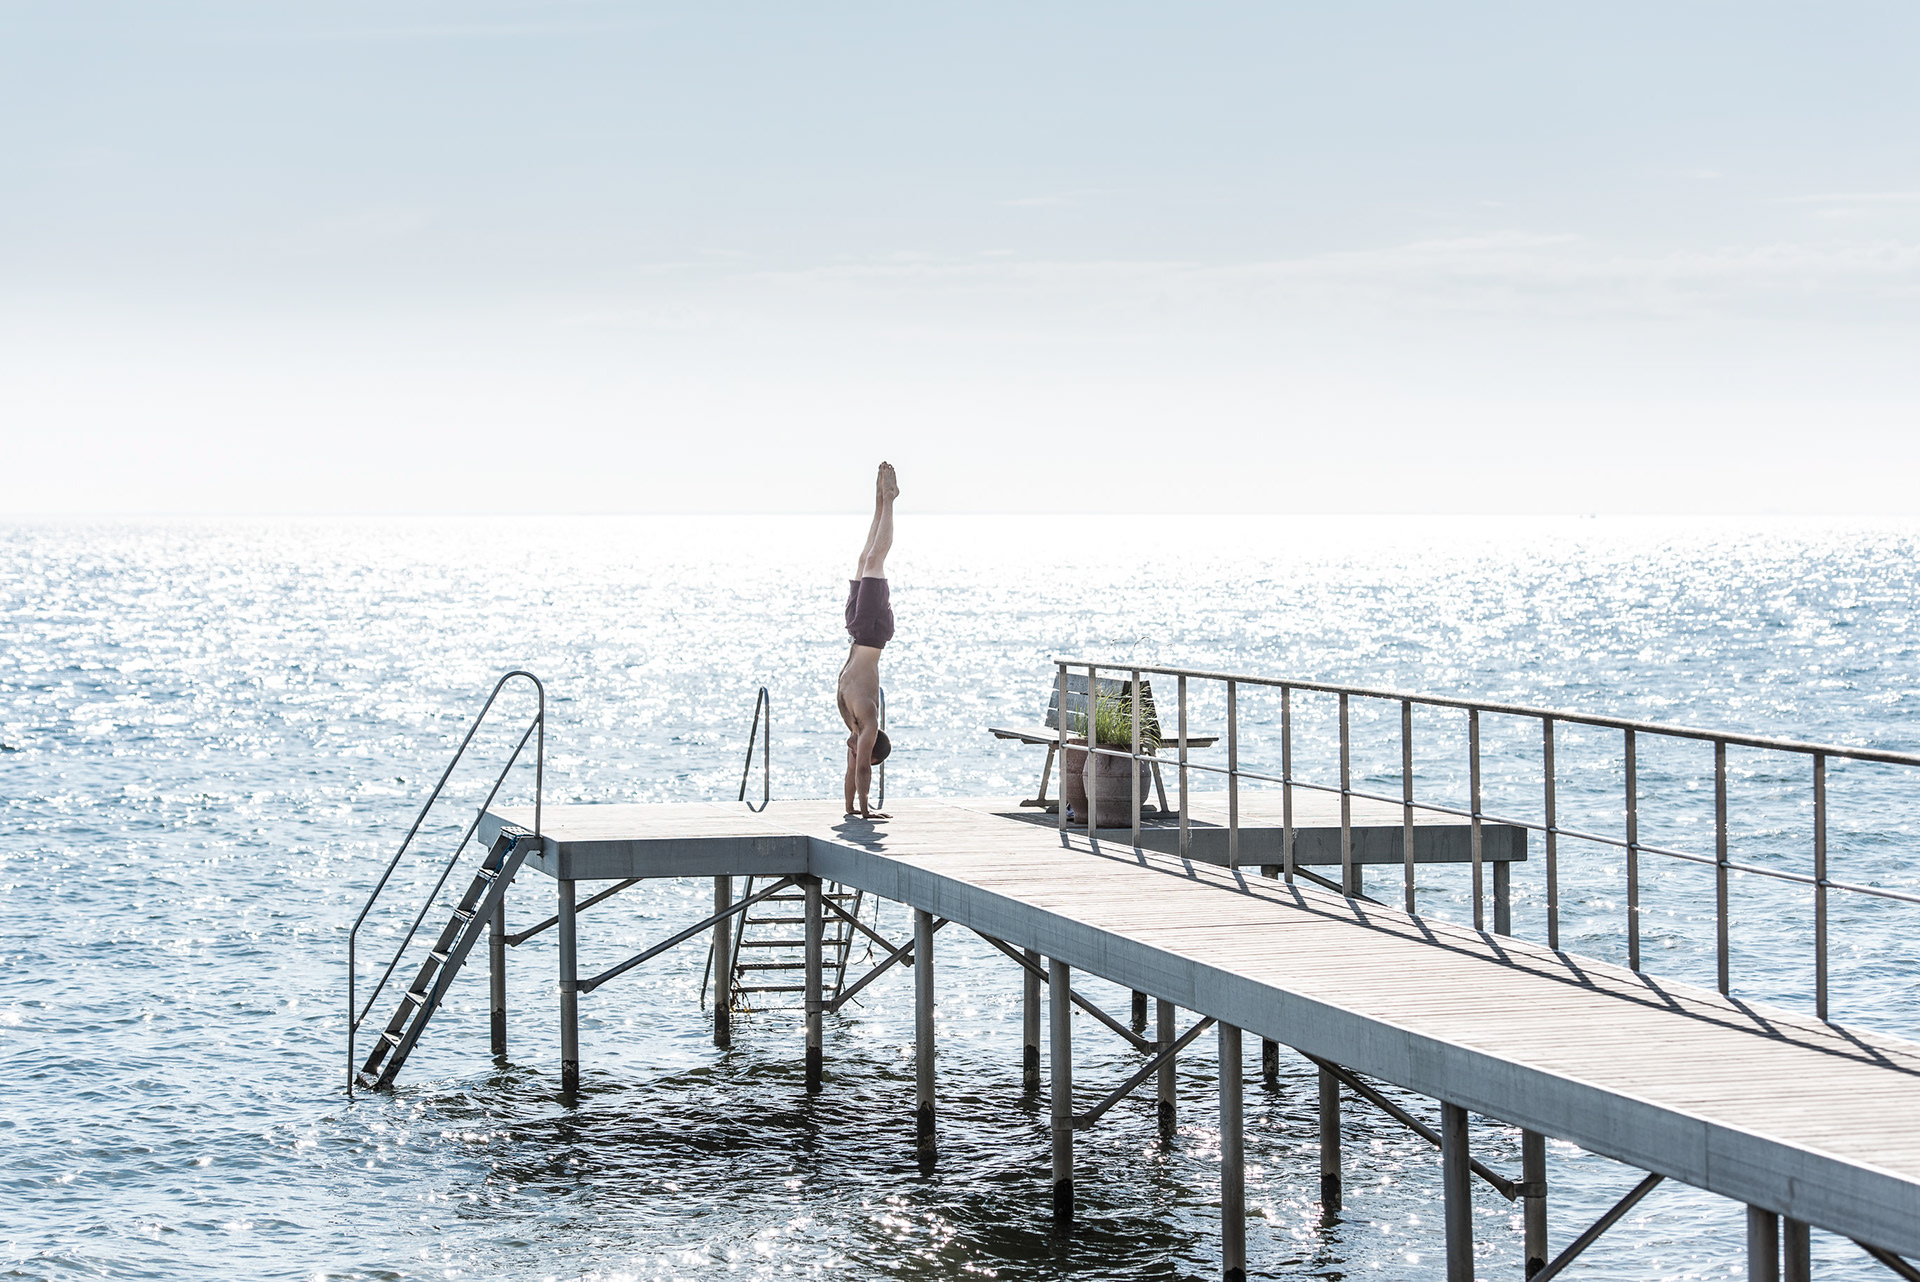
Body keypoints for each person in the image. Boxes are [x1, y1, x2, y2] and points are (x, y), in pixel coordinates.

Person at [838, 462, 897, 819]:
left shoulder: (853, 725)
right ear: (870, 747)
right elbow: (861, 770)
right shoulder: (868, 720)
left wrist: (848, 808)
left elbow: (851, 771)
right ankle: (889, 500)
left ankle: (879, 501)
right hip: (872, 632)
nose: (854, 753)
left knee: (863, 559)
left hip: (856, 631)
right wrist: (866, 811)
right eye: (862, 751)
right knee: (876, 559)